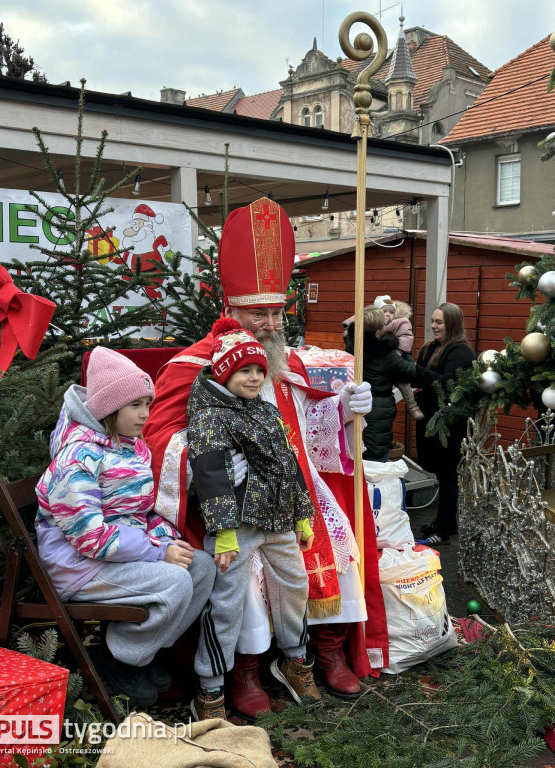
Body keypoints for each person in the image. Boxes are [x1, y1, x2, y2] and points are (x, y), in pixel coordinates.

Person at [144, 197, 389, 719]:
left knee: (335, 543)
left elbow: (303, 427)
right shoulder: (195, 367)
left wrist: (345, 410)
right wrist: (214, 465)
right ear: (230, 310)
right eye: (260, 313)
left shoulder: (283, 361)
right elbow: (159, 439)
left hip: (289, 494)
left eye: (278, 312)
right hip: (230, 507)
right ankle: (243, 673)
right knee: (241, 584)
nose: (272, 325)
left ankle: (322, 652)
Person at [35, 347, 215, 707]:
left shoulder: (130, 448)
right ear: (109, 408)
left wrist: (165, 539)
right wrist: (159, 552)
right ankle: (116, 659)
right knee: (175, 580)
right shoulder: (77, 459)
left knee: (202, 567)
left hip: (116, 555)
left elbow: (142, 512)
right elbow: (90, 538)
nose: (145, 413)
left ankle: (139, 655)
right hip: (80, 567)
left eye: (148, 403)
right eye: (135, 405)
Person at [188, 318, 320, 720]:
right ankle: (210, 687)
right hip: (239, 528)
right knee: (226, 603)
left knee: (295, 585)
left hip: (277, 520)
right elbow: (211, 476)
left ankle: (296, 659)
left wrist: (302, 516)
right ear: (224, 372)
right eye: (244, 370)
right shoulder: (210, 415)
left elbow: (288, 463)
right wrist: (224, 532)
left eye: (259, 370)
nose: (254, 377)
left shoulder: (263, 409)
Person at [415, 303, 476, 545]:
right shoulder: (433, 348)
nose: (433, 326)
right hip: (434, 423)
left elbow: (445, 384)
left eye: (439, 322)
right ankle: (446, 522)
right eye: (432, 321)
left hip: (449, 427)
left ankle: (442, 530)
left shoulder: (461, 352)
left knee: (448, 475)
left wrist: (418, 371)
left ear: (452, 324)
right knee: (443, 475)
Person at [351, 307, 420, 462]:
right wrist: (404, 351)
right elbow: (410, 372)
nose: (386, 327)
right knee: (376, 457)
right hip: (377, 413)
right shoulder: (386, 355)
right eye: (383, 325)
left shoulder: (354, 346)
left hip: (358, 407)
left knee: (359, 455)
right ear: (377, 333)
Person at [372, 295, 423, 420]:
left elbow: (406, 336)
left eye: (391, 312)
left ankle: (412, 406)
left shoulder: (400, 322)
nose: (388, 314)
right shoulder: (372, 325)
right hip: (379, 364)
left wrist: (399, 351)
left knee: (404, 384)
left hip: (396, 357)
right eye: (384, 311)